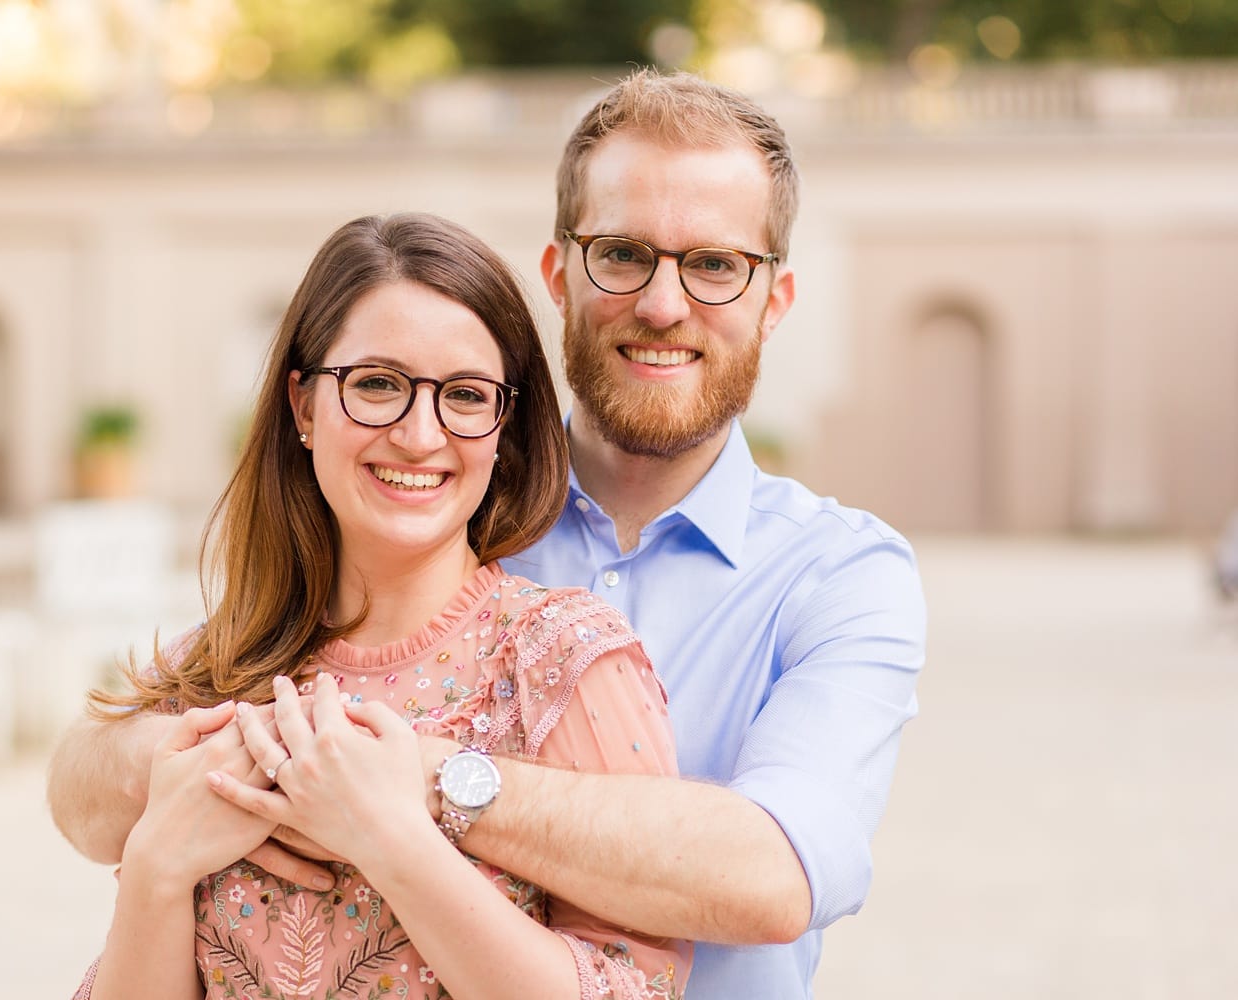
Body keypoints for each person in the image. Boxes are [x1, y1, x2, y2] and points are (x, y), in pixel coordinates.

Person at [50, 69, 926, 998]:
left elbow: (774, 877)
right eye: (623, 254)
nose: (665, 304)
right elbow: (87, 783)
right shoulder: (423, 518)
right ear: (561, 275)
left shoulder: (841, 575)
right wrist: (244, 763)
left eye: (714, 264)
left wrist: (403, 782)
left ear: (774, 299)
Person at [70, 212, 690, 1000]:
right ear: (302, 406)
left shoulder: (566, 662)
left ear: (504, 427)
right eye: (376, 385)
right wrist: (156, 866)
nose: (419, 433)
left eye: (465, 396)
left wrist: (394, 840)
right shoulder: (211, 670)